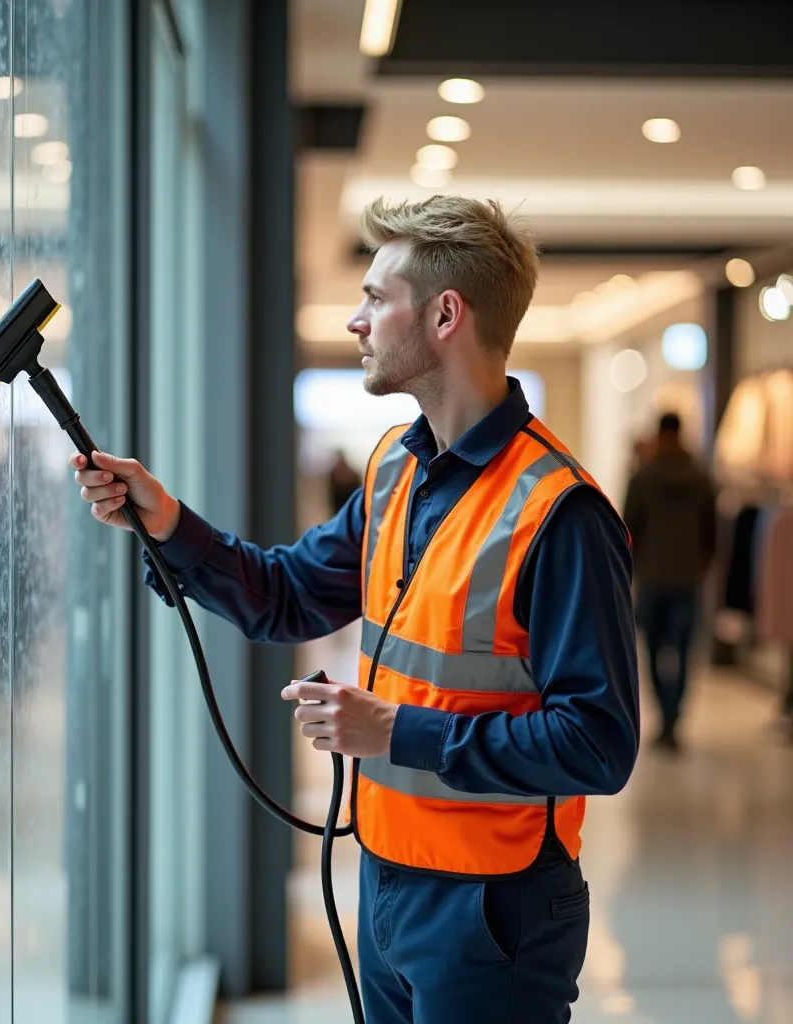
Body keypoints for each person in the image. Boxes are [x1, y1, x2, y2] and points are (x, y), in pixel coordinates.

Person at [72, 195, 639, 1023]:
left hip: (494, 909)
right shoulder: (393, 472)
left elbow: (598, 744)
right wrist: (170, 526)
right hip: (383, 878)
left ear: (446, 314)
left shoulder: (559, 512)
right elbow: (287, 596)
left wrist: (396, 732)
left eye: (377, 298)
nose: (355, 320)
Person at [623, 411, 716, 753]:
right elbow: (711, 530)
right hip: (687, 577)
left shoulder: (643, 477)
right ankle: (673, 718)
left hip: (652, 578)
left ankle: (663, 717)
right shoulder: (701, 476)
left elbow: (628, 528)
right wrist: (701, 564)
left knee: (653, 649)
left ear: (660, 434)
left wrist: (632, 570)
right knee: (682, 650)